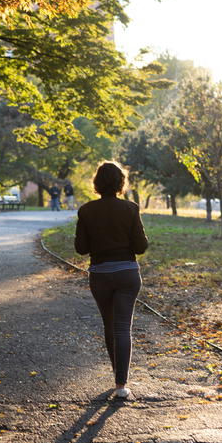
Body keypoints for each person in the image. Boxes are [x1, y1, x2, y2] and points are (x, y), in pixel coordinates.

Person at [74, 161, 148, 400]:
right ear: (121, 183)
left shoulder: (86, 211)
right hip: (127, 274)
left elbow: (81, 249)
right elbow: (141, 247)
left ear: (96, 184)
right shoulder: (130, 208)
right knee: (122, 327)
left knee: (109, 326)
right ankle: (121, 385)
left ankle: (118, 375)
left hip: (101, 275)